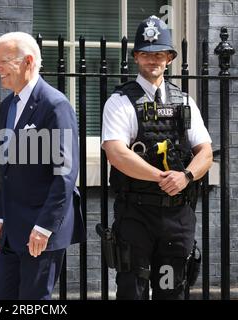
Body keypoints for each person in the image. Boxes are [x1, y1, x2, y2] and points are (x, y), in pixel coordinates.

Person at [101, 16, 213, 300]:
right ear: (137, 57)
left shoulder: (185, 102)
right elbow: (116, 152)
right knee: (132, 290)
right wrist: (162, 178)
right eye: (147, 54)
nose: (153, 60)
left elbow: (205, 152)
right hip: (136, 213)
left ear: (169, 58)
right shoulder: (120, 101)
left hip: (177, 215)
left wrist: (185, 176)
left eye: (160, 54)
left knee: (171, 290)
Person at [0, 31, 86, 300]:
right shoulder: (7, 106)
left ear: (28, 61)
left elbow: (65, 174)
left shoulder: (55, 105)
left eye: (3, 62)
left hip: (39, 230)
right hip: (12, 228)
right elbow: (7, 168)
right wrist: (0, 216)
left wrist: (44, 227)